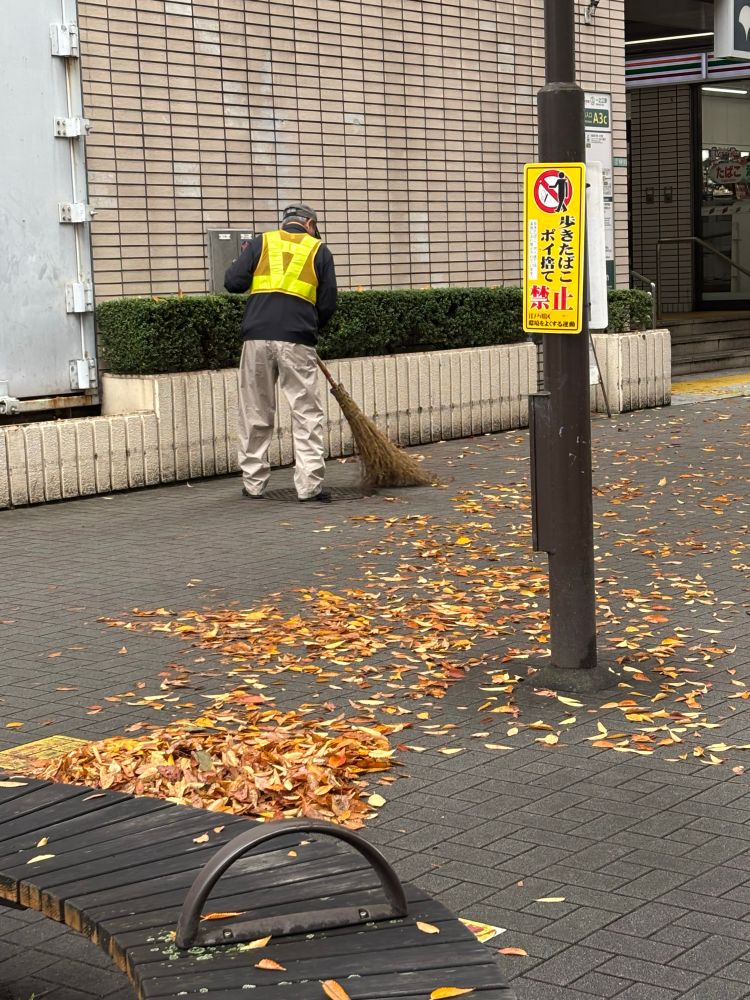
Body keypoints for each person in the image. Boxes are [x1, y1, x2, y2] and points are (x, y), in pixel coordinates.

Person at [224, 204, 337, 502]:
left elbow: (232, 282)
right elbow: (327, 305)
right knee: (306, 413)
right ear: (309, 224)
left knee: (255, 411)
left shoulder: (262, 242)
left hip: (256, 339)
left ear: (285, 223)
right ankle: (309, 487)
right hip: (297, 340)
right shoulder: (319, 251)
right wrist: (308, 328)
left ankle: (253, 483)